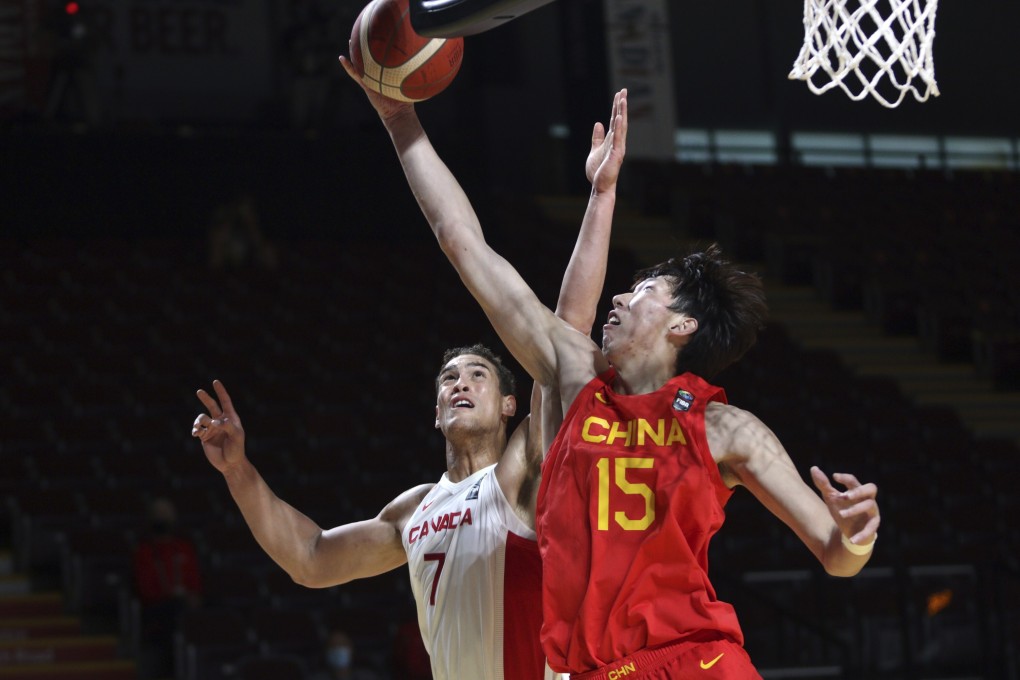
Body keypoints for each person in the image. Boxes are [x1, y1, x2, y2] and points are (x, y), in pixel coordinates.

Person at [341, 59, 882, 679]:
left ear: (683, 326)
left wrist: (856, 534)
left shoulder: (726, 427)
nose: (621, 299)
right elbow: (462, 240)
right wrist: (399, 117)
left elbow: (834, 554)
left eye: (646, 289)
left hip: (696, 661)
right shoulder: (578, 390)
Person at [191, 86, 627, 680]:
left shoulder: (526, 471)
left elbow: (571, 333)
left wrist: (600, 197)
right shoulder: (415, 510)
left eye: (478, 375)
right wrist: (238, 471)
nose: (459, 384)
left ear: (508, 405)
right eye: (448, 378)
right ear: (435, 410)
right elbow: (311, 558)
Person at [131, 496, 203, 678]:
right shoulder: (144, 551)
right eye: (159, 513)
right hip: (159, 609)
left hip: (186, 605)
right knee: (172, 618)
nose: (163, 518)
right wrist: (172, 595)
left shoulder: (183, 548)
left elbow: (194, 583)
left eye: (166, 513)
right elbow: (146, 590)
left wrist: (191, 596)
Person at [308, 629, 382, 680]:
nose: (338, 649)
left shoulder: (368, 677)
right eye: (333, 646)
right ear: (326, 652)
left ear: (351, 649)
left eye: (342, 645)